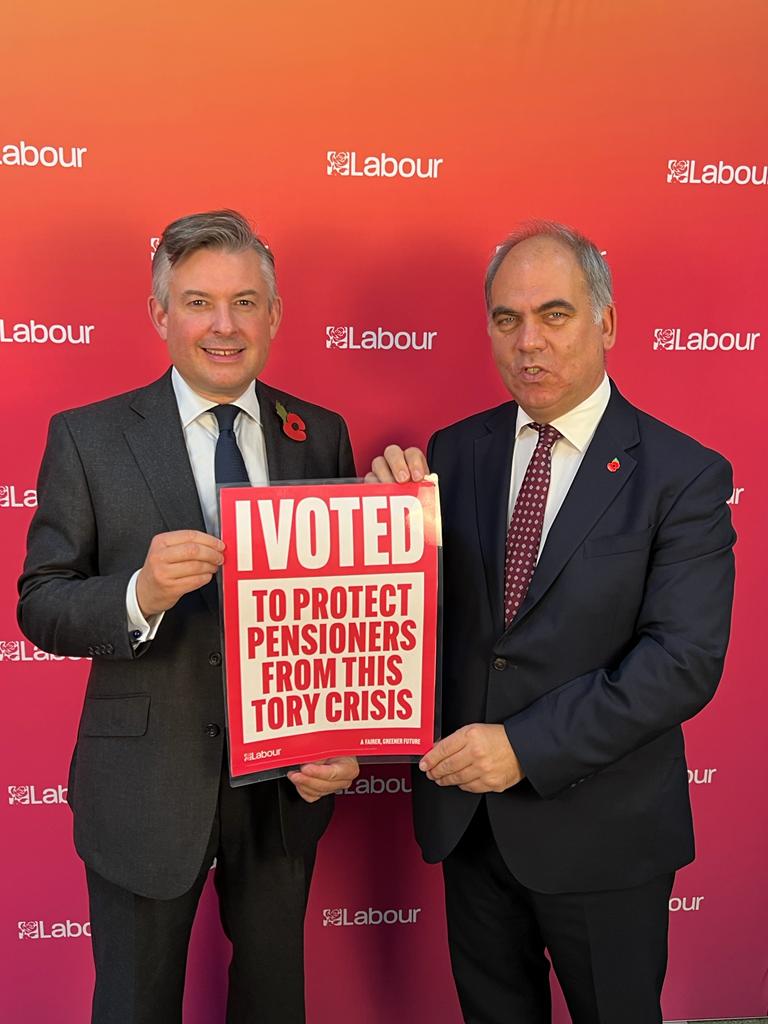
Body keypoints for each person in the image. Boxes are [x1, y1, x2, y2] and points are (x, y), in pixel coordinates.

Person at [369, 222, 735, 1024]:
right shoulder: (453, 453)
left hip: (604, 834)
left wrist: (523, 749)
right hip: (469, 826)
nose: (527, 342)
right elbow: (423, 621)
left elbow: (681, 662)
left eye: (554, 314)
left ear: (606, 323)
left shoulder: (685, 476)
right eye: (506, 319)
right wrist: (380, 516)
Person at [18, 209, 359, 1024]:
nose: (224, 326)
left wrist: (343, 739)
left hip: (284, 785)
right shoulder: (88, 438)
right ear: (161, 314)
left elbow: (348, 614)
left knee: (273, 1002)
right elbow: (41, 603)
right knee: (135, 1005)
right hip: (143, 784)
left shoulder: (321, 435)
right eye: (199, 302)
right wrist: (140, 592)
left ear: (274, 316)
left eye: (245, 302)